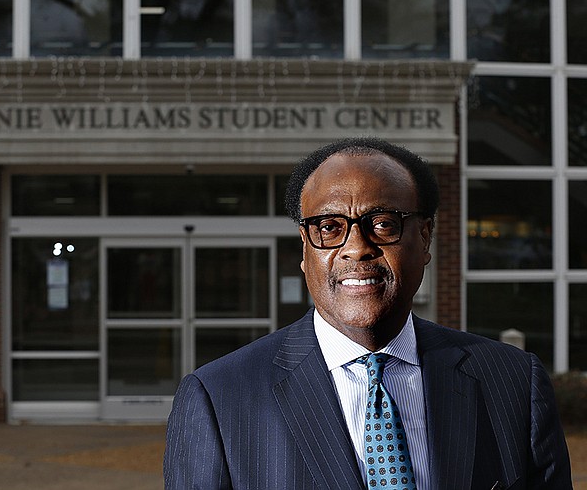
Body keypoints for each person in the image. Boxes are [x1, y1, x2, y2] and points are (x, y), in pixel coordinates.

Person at [163, 137, 572, 489]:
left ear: (425, 237)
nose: (356, 247)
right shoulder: (219, 398)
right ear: (304, 249)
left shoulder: (514, 382)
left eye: (382, 223)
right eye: (328, 227)